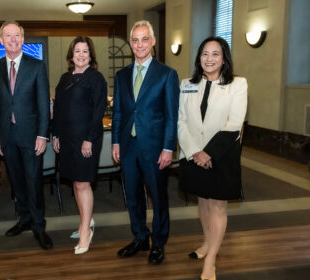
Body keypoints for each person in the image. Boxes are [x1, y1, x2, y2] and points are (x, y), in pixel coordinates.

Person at [178, 37, 247, 280]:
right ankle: (207, 243)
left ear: (224, 58)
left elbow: (234, 123)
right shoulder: (187, 84)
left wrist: (208, 152)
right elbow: (181, 121)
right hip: (193, 153)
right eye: (205, 54)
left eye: (215, 54)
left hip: (222, 155)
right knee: (203, 201)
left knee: (217, 205)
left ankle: (210, 261)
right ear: (199, 58)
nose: (209, 58)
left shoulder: (238, 84)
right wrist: (195, 150)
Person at [111, 20, 179, 264]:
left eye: (144, 39)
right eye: (135, 40)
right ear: (131, 44)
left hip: (155, 148)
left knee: (158, 197)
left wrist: (168, 147)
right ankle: (140, 237)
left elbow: (172, 116)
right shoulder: (121, 76)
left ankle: (158, 243)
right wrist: (116, 143)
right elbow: (118, 112)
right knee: (132, 196)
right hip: (128, 147)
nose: (140, 44)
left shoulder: (167, 74)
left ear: (152, 42)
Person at [0, 21, 52, 250]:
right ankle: (24, 219)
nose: (13, 39)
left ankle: (38, 226)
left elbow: (44, 104)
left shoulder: (37, 65)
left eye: (17, 35)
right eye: (8, 35)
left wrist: (43, 135)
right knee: (16, 181)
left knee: (34, 181)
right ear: (1, 40)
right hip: (6, 137)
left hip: (32, 135)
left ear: (23, 39)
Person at [52, 36, 107, 254]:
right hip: (66, 139)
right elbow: (58, 109)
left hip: (86, 140)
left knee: (83, 183)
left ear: (91, 56)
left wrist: (89, 139)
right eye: (77, 51)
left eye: (85, 51)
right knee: (76, 183)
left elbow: (98, 111)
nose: (81, 55)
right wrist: (55, 134)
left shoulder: (96, 78)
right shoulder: (64, 78)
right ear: (71, 54)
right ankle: (86, 221)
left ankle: (86, 230)